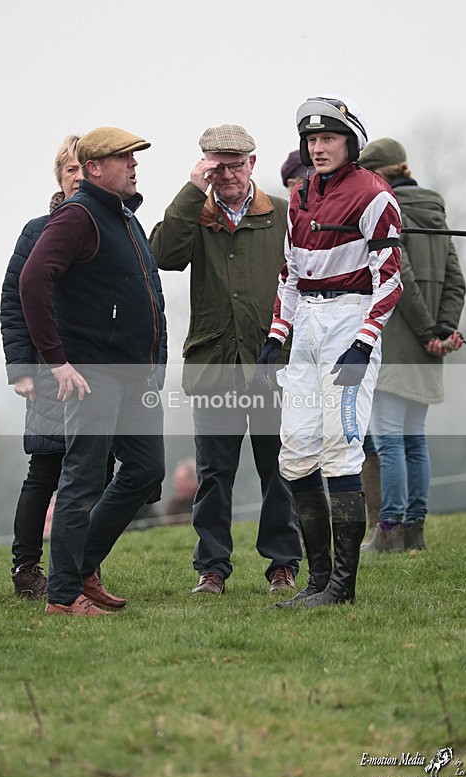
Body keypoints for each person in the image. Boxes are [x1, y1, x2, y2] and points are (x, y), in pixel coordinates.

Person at [258, 95, 402, 607]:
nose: (318, 148)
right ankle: (318, 581)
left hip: (350, 320)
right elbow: (290, 274)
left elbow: (390, 280)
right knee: (296, 453)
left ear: (350, 143)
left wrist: (363, 343)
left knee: (340, 450)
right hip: (307, 327)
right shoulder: (299, 195)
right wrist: (276, 336)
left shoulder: (375, 194)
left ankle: (343, 587)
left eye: (329, 138)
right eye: (312, 140)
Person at [19, 126, 167, 616]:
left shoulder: (124, 216)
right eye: (125, 158)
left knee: (146, 471)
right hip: (91, 372)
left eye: (135, 158)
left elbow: (150, 295)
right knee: (82, 479)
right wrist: (57, 361)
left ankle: (81, 567)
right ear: (95, 168)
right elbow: (32, 279)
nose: (134, 165)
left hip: (134, 374)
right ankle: (63, 598)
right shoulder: (78, 214)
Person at [151, 123, 302, 595]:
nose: (229, 175)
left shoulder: (282, 214)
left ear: (252, 164)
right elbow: (164, 255)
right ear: (205, 168)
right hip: (214, 365)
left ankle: (283, 565)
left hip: (273, 364)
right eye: (218, 168)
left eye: (236, 166)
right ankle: (212, 568)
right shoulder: (195, 214)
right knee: (214, 474)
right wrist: (191, 191)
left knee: (278, 469)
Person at [357, 138, 466, 552]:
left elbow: (399, 277)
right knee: (415, 440)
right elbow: (456, 280)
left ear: (378, 174)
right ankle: (415, 531)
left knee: (389, 442)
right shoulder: (436, 211)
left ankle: (389, 531)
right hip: (427, 350)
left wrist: (426, 332)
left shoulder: (388, 210)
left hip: (396, 345)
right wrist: (443, 330)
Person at [0, 135, 90, 599]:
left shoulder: (109, 229)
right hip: (48, 370)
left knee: (94, 472)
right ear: (59, 177)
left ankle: (80, 569)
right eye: (70, 169)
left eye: (85, 168)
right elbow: (13, 301)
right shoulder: (36, 232)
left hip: (98, 372)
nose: (78, 177)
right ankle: (26, 567)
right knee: (45, 470)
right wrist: (21, 369)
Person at [164, 458, 199, 523]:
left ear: (193, 481)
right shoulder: (174, 503)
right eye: (177, 481)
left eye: (181, 481)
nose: (177, 485)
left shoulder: (202, 499)